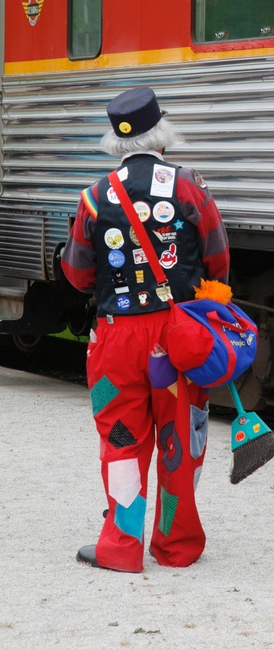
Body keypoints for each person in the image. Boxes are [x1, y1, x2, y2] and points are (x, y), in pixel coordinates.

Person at [61, 86, 230, 573]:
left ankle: (122, 546)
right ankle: (176, 546)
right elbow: (218, 259)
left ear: (116, 140)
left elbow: (77, 274)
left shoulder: (94, 197)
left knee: (120, 440)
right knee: (180, 438)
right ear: (164, 132)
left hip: (116, 338)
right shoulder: (190, 187)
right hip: (179, 337)